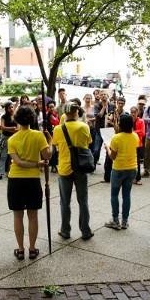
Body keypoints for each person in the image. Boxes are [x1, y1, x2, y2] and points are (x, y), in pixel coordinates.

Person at [6, 106, 52, 260]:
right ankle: (32, 248)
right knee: (33, 215)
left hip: (15, 180)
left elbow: (17, 162)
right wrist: (49, 142)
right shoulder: (39, 136)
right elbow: (47, 156)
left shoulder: (12, 139)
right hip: (33, 180)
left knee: (17, 216)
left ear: (17, 119)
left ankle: (20, 249)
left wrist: (35, 163)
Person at [52, 101, 94, 240]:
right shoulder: (84, 127)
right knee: (83, 201)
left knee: (65, 202)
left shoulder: (58, 129)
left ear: (65, 114)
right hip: (81, 167)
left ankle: (65, 230)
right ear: (77, 113)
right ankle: (86, 231)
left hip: (64, 169)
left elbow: (55, 144)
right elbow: (88, 143)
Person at [103, 114, 139, 230]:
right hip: (132, 168)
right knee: (126, 195)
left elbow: (112, 157)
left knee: (114, 194)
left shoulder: (116, 138)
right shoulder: (135, 136)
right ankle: (124, 221)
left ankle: (115, 220)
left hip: (118, 169)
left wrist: (107, 148)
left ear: (120, 124)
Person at [0, 102, 17, 181]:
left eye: (12, 107)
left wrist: (8, 128)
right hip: (5, 138)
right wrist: (12, 129)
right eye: (9, 108)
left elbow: (18, 128)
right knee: (3, 156)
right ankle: (0, 173)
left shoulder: (16, 116)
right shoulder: (4, 117)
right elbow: (2, 127)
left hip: (14, 138)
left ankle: (10, 172)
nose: (11, 109)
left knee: (13, 156)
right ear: (6, 109)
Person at [93, 90, 114, 166]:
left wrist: (111, 117)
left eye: (105, 94)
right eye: (102, 95)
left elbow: (113, 115)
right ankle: (94, 164)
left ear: (108, 96)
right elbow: (99, 116)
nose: (104, 96)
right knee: (96, 150)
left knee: (108, 149)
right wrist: (104, 107)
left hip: (108, 130)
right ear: (100, 96)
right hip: (99, 130)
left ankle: (107, 166)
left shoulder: (112, 105)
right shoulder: (97, 105)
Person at [131, 106, 146, 184]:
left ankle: (138, 178)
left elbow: (143, 133)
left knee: (137, 161)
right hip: (130, 143)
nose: (133, 114)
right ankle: (132, 177)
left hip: (138, 143)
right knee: (131, 161)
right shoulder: (129, 120)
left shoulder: (141, 121)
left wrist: (133, 132)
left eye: (134, 112)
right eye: (132, 112)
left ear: (137, 113)